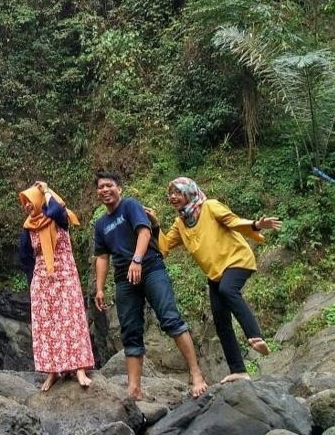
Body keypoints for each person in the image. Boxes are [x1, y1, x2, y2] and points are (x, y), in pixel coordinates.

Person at [92, 170, 208, 401]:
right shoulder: (101, 224)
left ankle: (196, 375)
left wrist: (137, 259)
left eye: (109, 185)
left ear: (119, 189)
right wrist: (100, 288)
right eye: (101, 187)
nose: (105, 190)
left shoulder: (130, 206)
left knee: (170, 318)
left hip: (150, 267)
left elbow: (144, 231)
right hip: (124, 279)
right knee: (130, 331)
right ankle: (134, 389)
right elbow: (102, 257)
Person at [160, 177, 281, 382]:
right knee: (220, 319)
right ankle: (239, 370)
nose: (173, 197)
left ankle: (255, 336)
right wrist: (152, 225)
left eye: (178, 192)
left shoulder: (210, 206)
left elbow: (233, 222)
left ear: (189, 192)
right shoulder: (180, 223)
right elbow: (163, 247)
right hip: (215, 272)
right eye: (171, 193)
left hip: (237, 260)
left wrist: (256, 225)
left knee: (228, 290)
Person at [18, 181, 94, 391]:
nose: (26, 206)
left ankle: (79, 368)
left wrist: (47, 190)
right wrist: (32, 281)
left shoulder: (58, 219)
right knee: (47, 325)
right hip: (42, 279)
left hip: (65, 273)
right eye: (24, 203)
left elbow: (56, 208)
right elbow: (25, 258)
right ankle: (53, 371)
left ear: (39, 200)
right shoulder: (28, 228)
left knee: (71, 318)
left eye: (29, 201)